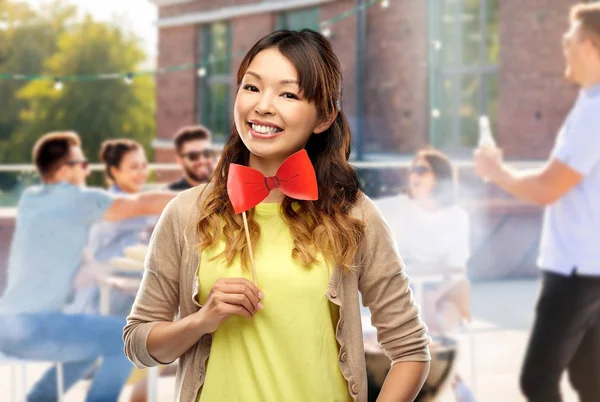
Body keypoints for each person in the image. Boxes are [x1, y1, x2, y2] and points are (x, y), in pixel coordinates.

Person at [124, 30, 430, 402]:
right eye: (252, 87)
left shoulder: (354, 216)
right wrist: (202, 320)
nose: (263, 106)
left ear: (323, 117)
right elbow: (139, 343)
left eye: (288, 94)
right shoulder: (186, 214)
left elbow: (410, 349)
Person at [474, 3, 600, 401]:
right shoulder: (590, 104)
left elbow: (548, 188)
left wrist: (497, 173)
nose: (562, 45)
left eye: (569, 38)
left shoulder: (594, 112)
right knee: (589, 379)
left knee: (538, 380)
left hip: (575, 271)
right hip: (589, 266)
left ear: (592, 46)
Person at [0, 131, 176, 401]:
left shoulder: (31, 199)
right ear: (62, 170)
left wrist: (89, 266)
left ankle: (38, 399)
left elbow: (54, 246)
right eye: (80, 164)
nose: (86, 170)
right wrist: (203, 194)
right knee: (128, 340)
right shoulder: (76, 200)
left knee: (88, 344)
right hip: (35, 327)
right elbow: (142, 203)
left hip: (7, 324)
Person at [376, 149, 475, 402]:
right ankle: (453, 382)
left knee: (427, 319)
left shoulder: (456, 216)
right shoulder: (399, 207)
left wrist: (434, 295)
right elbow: (362, 209)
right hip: (407, 288)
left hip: (446, 288)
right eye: (412, 170)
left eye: (422, 170)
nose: (414, 175)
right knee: (416, 318)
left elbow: (456, 268)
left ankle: (437, 384)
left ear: (438, 177)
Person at [67, 138, 155, 316]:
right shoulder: (111, 206)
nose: (141, 173)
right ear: (114, 171)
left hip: (130, 292)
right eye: (134, 167)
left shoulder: (144, 205)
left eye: (144, 166)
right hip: (105, 296)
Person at [168, 125, 217, 190]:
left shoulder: (225, 189)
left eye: (207, 153)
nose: (202, 161)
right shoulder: (171, 195)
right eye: (193, 156)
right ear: (180, 160)